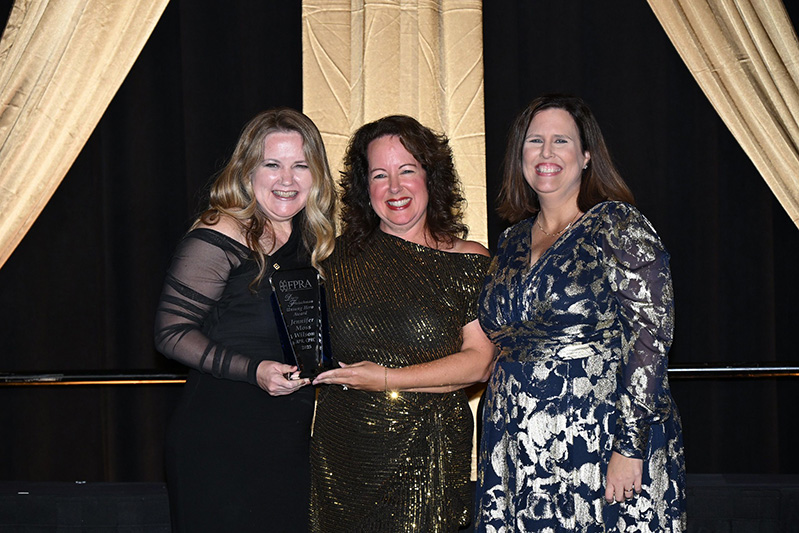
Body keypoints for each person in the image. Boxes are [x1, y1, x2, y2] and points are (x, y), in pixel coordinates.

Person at [475, 94, 686, 531]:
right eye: (535, 141)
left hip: (597, 438)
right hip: (514, 441)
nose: (546, 153)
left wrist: (629, 446)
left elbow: (650, 339)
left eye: (561, 141)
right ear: (519, 155)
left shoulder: (616, 225)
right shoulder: (510, 241)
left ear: (587, 156)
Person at [309, 115, 496, 532]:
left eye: (407, 170)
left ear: (430, 176)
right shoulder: (332, 260)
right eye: (380, 175)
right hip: (345, 456)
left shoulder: (469, 261)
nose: (394, 188)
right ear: (365, 187)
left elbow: (479, 363)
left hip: (428, 459)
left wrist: (386, 379)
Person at [154, 108, 337, 532]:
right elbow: (170, 332)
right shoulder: (223, 230)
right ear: (247, 171)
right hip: (219, 437)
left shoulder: (316, 241)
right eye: (272, 164)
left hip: (289, 441)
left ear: (316, 176)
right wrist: (254, 370)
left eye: (300, 166)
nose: (287, 179)